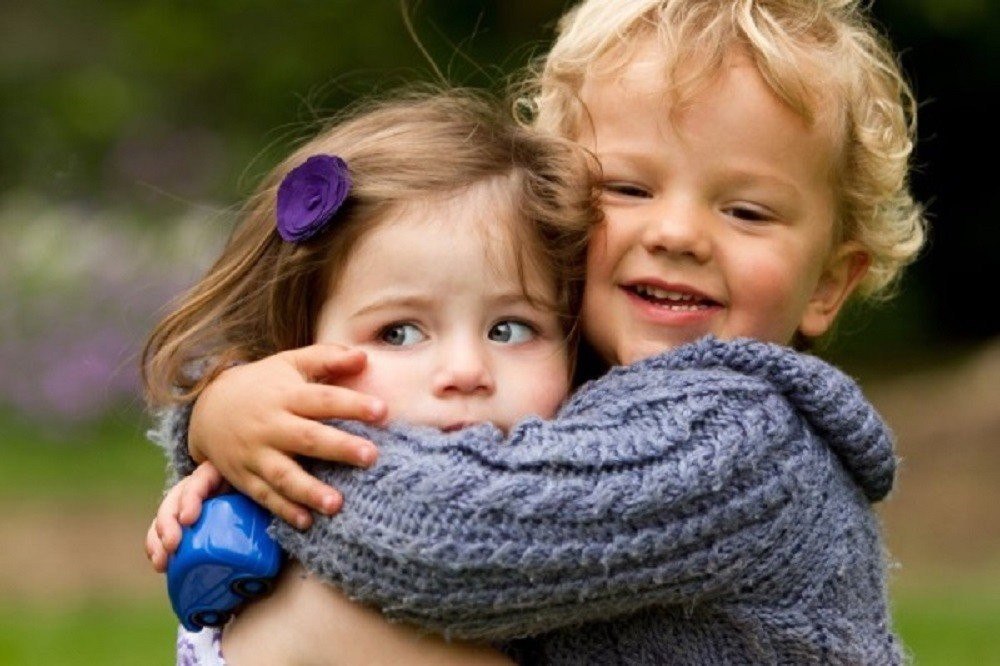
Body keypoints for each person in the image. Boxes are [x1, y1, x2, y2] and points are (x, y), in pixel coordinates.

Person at [148, 0, 927, 663]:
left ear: (829, 284)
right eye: (629, 188)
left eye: (747, 211)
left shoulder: (744, 441)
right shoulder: (559, 376)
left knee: (334, 615)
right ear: (554, 209)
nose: (679, 234)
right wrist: (220, 414)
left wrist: (268, 448)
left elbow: (450, 540)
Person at [143, 88, 600, 664]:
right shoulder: (291, 515)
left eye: (509, 329)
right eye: (399, 333)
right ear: (294, 346)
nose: (466, 372)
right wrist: (220, 413)